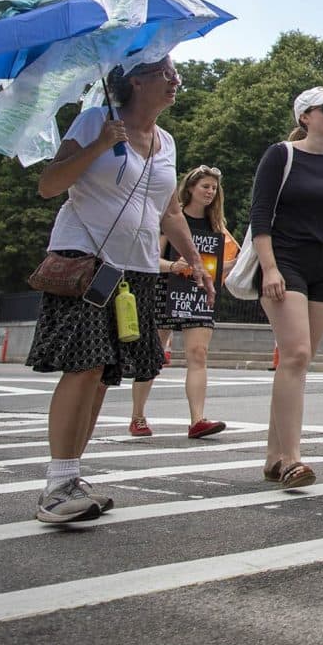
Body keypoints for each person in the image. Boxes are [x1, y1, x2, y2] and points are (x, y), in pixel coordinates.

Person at [27, 58, 214, 523]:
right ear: (136, 80)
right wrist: (99, 145)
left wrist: (194, 262)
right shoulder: (96, 120)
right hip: (85, 262)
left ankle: (70, 478)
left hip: (138, 271)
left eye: (175, 74)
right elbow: (50, 185)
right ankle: (56, 485)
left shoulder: (166, 141)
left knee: (104, 374)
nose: (175, 81)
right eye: (166, 73)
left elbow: (168, 212)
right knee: (83, 366)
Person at [253, 88, 323, 488]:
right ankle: (293, 459)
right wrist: (270, 268)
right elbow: (260, 213)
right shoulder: (282, 154)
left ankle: (272, 455)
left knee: (297, 363)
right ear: (304, 117)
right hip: (285, 261)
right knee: (295, 355)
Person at [128, 164, 231, 439]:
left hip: (198, 293)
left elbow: (224, 264)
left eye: (214, 187)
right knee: (153, 353)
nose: (210, 192)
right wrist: (174, 266)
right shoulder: (171, 219)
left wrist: (231, 266)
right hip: (165, 289)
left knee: (198, 354)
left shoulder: (217, 227)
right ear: (190, 189)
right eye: (205, 186)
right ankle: (137, 416)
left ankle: (198, 420)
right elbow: (150, 258)